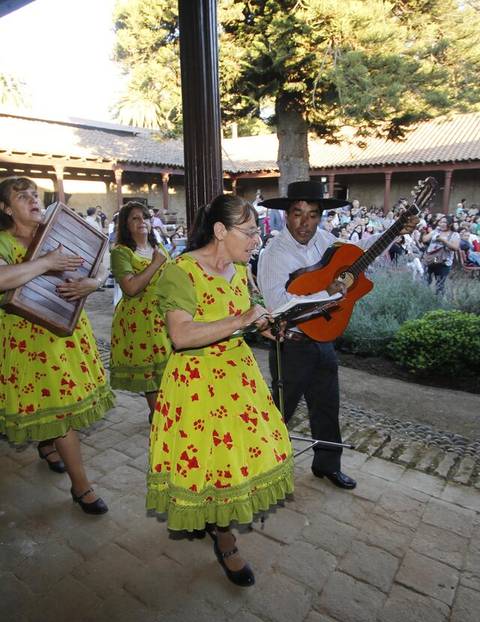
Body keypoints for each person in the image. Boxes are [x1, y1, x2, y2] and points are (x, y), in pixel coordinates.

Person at [147, 194, 293, 587]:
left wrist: (265, 324)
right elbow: (180, 335)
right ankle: (225, 540)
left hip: (238, 380)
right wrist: (240, 319)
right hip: (196, 385)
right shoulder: (181, 271)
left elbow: (243, 316)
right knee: (207, 461)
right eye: (248, 233)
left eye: (257, 233)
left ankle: (219, 524)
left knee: (234, 460)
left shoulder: (240, 269)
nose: (255, 241)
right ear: (219, 231)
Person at [258, 180, 418, 490]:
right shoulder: (274, 254)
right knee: (279, 411)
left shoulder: (324, 240)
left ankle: (327, 465)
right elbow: (276, 305)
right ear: (286, 215)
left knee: (327, 406)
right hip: (291, 345)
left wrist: (394, 230)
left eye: (313, 214)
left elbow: (357, 252)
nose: (305, 223)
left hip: (325, 339)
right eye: (298, 214)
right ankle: (260, 468)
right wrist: (324, 292)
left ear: (320, 216)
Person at [0, 177, 114, 515]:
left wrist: (91, 284)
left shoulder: (59, 230)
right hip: (26, 342)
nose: (34, 200)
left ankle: (48, 446)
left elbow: (98, 265)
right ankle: (82, 487)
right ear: (6, 209)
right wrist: (46, 263)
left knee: (57, 405)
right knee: (61, 411)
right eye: (23, 197)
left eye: (35, 195)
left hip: (67, 336)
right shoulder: (3, 242)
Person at [110, 202, 171, 421]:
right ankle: (158, 418)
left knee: (168, 370)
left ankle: (165, 413)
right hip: (140, 321)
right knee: (152, 373)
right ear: (125, 225)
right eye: (135, 218)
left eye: (145, 217)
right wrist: (155, 264)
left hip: (164, 316)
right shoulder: (121, 253)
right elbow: (131, 288)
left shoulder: (159, 248)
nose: (142, 221)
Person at [422, 215, 460, 294]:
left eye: (444, 222)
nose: (442, 224)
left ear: (450, 224)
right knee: (425, 281)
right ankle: (424, 297)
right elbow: (425, 239)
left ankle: (438, 302)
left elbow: (456, 247)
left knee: (440, 284)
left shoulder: (455, 234)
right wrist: (425, 232)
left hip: (444, 262)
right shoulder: (436, 231)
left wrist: (443, 240)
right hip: (432, 259)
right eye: (441, 222)